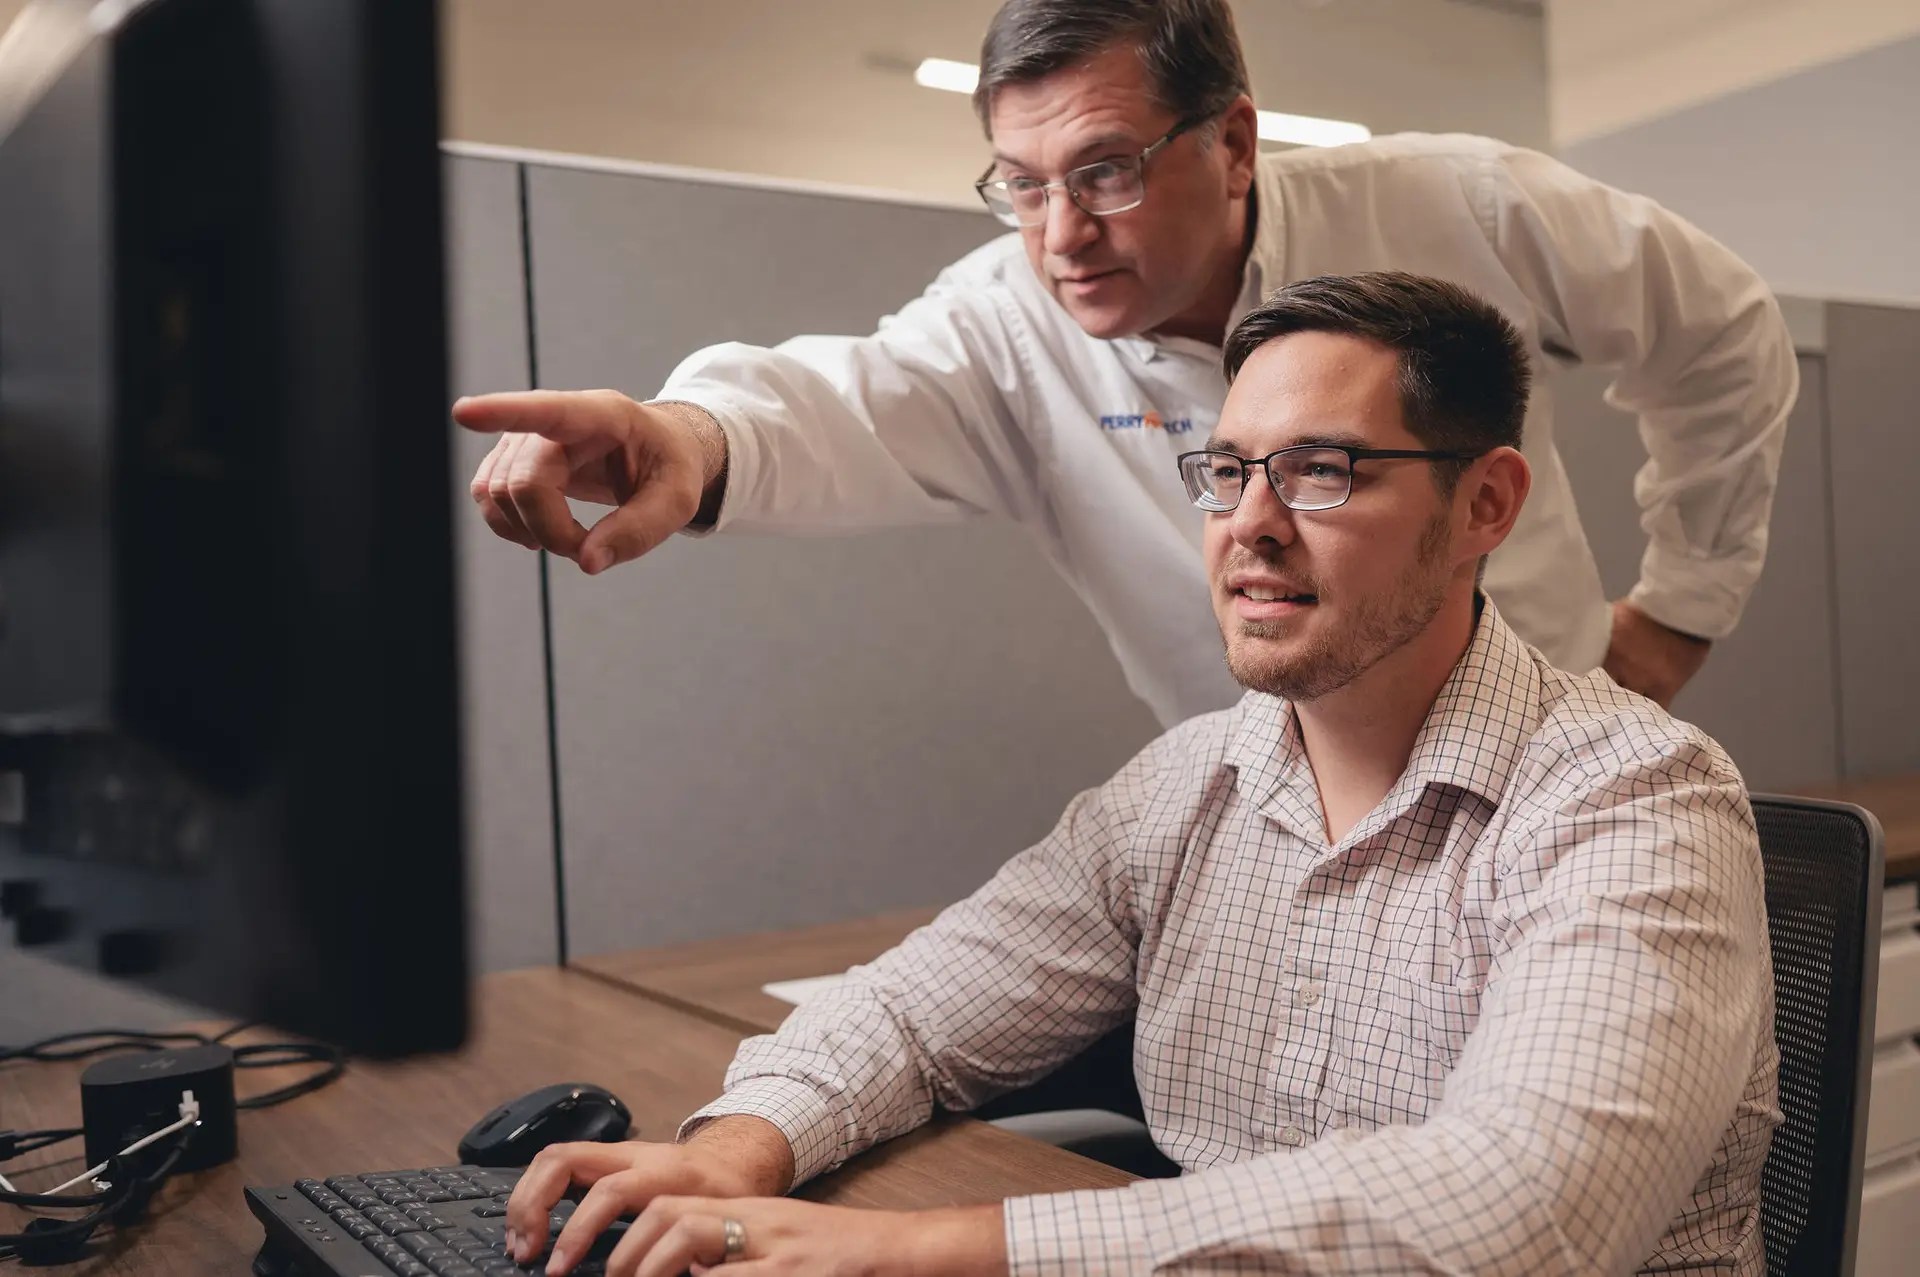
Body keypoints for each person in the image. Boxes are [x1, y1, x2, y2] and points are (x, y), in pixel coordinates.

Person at [498, 273, 1779, 1277]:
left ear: (1488, 504)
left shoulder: (1633, 798)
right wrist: (736, 1152)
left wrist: (886, 1246)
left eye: (1321, 470)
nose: (1250, 523)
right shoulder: (1185, 790)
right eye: (1226, 472)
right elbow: (909, 1011)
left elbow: (1520, 1215)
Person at [456, 0, 1798, 722]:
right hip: (1270, 823)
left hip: (1542, 773)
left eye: (1104, 170)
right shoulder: (1009, 319)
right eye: (1021, 183)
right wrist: (682, 435)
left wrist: (1681, 610)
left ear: (1234, 142)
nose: (1060, 236)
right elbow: (837, 405)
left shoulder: (1459, 208)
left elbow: (1725, 328)